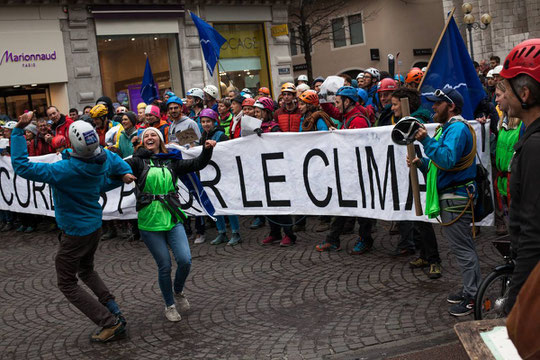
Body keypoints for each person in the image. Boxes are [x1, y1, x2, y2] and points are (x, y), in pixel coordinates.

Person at [12, 113, 134, 342]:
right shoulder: (102, 156)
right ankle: (112, 307)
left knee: (66, 282)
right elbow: (117, 163)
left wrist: (18, 131)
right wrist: (123, 175)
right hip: (93, 227)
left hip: (75, 232)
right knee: (86, 270)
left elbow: (22, 167)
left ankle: (110, 322)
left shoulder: (64, 171)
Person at [125, 126, 216, 322]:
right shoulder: (136, 161)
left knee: (185, 260)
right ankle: (169, 305)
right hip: (149, 221)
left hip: (173, 217)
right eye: (146, 136)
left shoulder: (171, 161)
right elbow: (114, 168)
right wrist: (122, 174)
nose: (150, 137)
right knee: (164, 266)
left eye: (153, 135)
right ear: (142, 141)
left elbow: (198, 163)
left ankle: (178, 290)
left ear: (159, 140)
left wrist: (207, 149)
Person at [408, 88, 480, 316]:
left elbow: (447, 160)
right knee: (462, 248)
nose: (433, 107)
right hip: (453, 195)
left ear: (450, 107)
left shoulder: (457, 128)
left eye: (437, 103)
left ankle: (473, 296)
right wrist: (421, 164)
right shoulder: (449, 129)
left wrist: (426, 141)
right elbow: (440, 167)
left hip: (455, 197)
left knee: (463, 250)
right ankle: (470, 289)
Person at [497, 39, 540, 315]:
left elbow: (535, 234)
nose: (499, 98)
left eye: (505, 89)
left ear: (524, 94)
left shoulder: (536, 146)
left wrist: (515, 301)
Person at [390, 87, 442, 279]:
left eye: (395, 104)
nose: (392, 107)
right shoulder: (404, 121)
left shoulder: (417, 122)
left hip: (423, 175)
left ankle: (434, 260)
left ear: (406, 105)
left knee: (424, 221)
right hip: (411, 175)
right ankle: (424, 254)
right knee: (416, 218)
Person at [315, 87, 373, 254]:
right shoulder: (348, 115)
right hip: (349, 170)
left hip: (359, 172)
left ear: (348, 102)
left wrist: (340, 135)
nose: (336, 105)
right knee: (342, 206)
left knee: (362, 210)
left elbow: (356, 146)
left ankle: (365, 240)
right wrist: (323, 98)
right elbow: (332, 111)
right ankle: (333, 239)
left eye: (338, 102)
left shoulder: (358, 120)